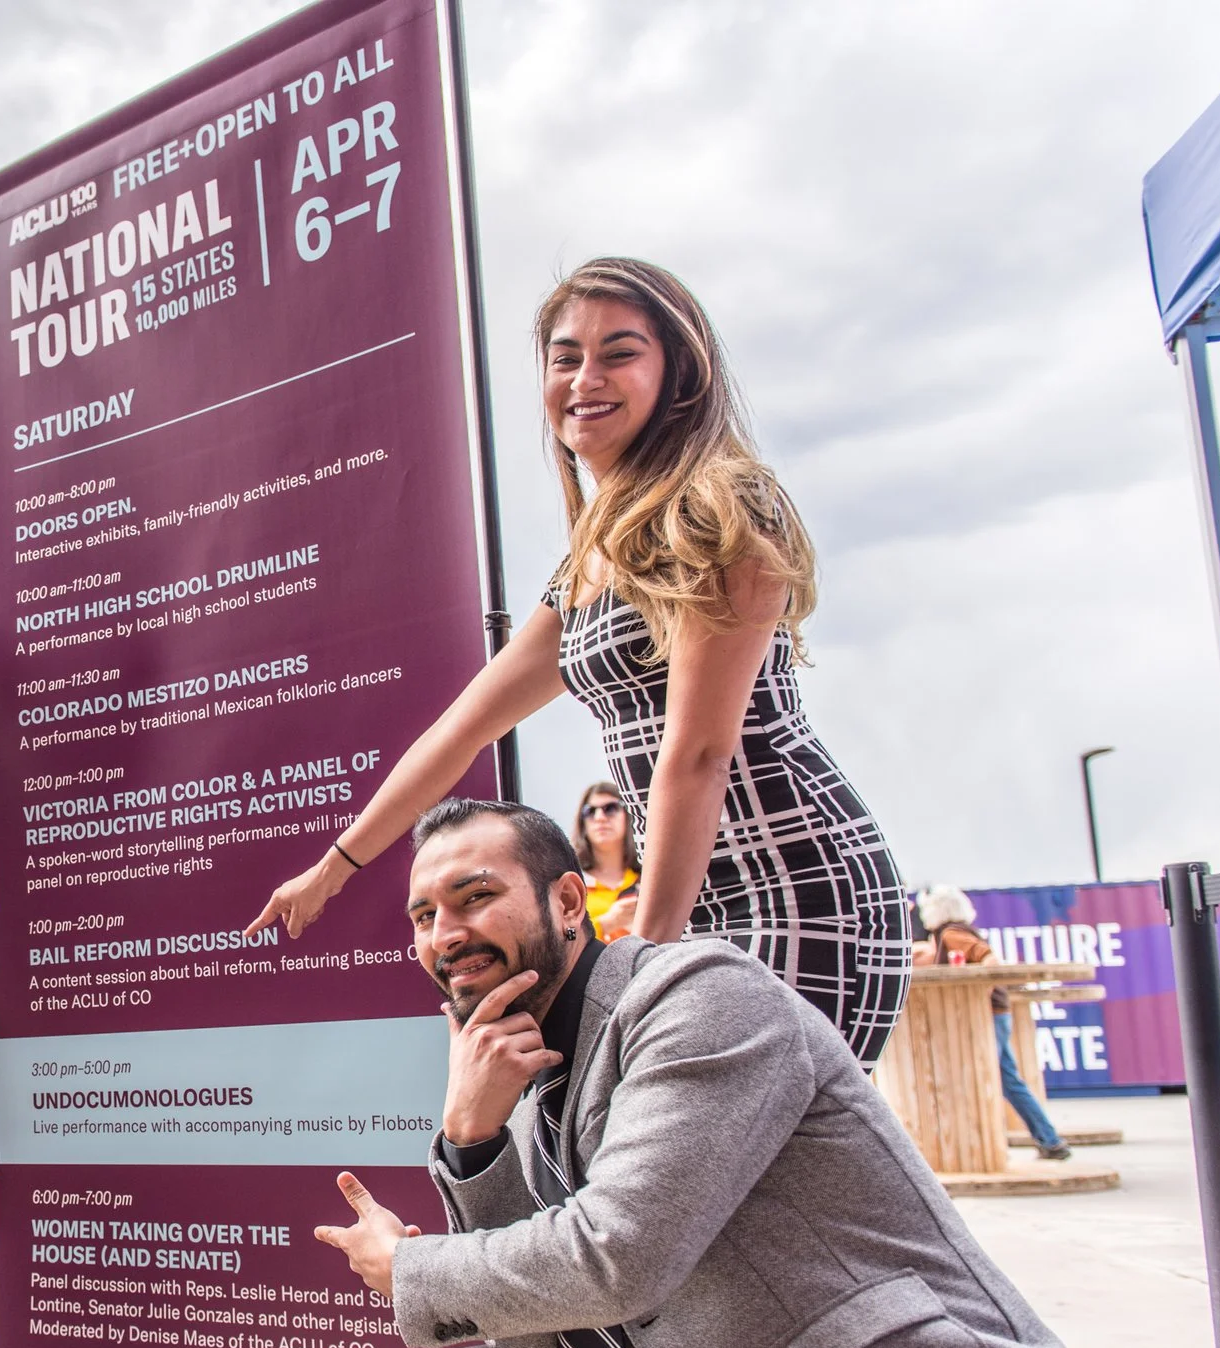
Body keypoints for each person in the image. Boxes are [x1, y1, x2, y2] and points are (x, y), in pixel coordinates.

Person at [315, 800, 1124, 1348]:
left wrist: (413, 1267)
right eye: (425, 915)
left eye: (474, 896)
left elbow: (619, 1255)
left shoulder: (699, 998)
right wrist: (473, 1142)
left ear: (565, 902)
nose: (447, 932)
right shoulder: (520, 1073)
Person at [251, 257, 908, 1067]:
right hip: (690, 895)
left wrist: (652, 956)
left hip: (795, 884)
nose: (585, 378)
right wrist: (333, 867)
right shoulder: (591, 560)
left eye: (619, 353)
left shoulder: (719, 504)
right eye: (566, 357)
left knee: (752, 1169)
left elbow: (697, 755)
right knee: (725, 1181)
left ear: (680, 376)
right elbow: (458, 734)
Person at [915, 884, 1071, 1160]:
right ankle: (1049, 1140)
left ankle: (1045, 1141)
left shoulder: (952, 933)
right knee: (1007, 1078)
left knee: (990, 1077)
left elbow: (989, 959)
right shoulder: (953, 933)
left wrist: (981, 992)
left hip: (987, 1015)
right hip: (995, 1013)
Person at [571, 782, 640, 941]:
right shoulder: (570, 883)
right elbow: (560, 942)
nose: (600, 818)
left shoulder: (649, 879)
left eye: (611, 808)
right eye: (590, 811)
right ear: (583, 823)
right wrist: (605, 924)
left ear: (628, 815)